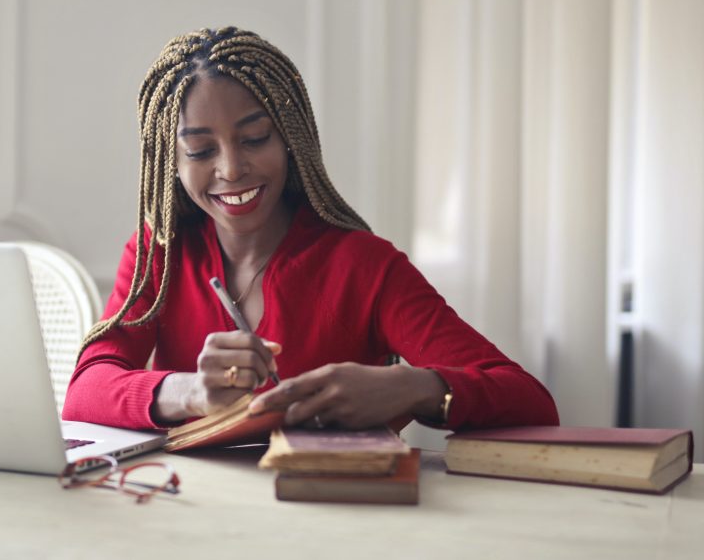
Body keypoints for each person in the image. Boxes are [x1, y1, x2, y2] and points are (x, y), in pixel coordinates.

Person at [62, 26, 558, 432]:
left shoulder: (364, 266)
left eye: (255, 138)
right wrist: (189, 391)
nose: (232, 169)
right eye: (201, 151)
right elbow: (84, 390)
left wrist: (414, 386)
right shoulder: (160, 254)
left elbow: (530, 401)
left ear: (292, 139)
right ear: (170, 162)